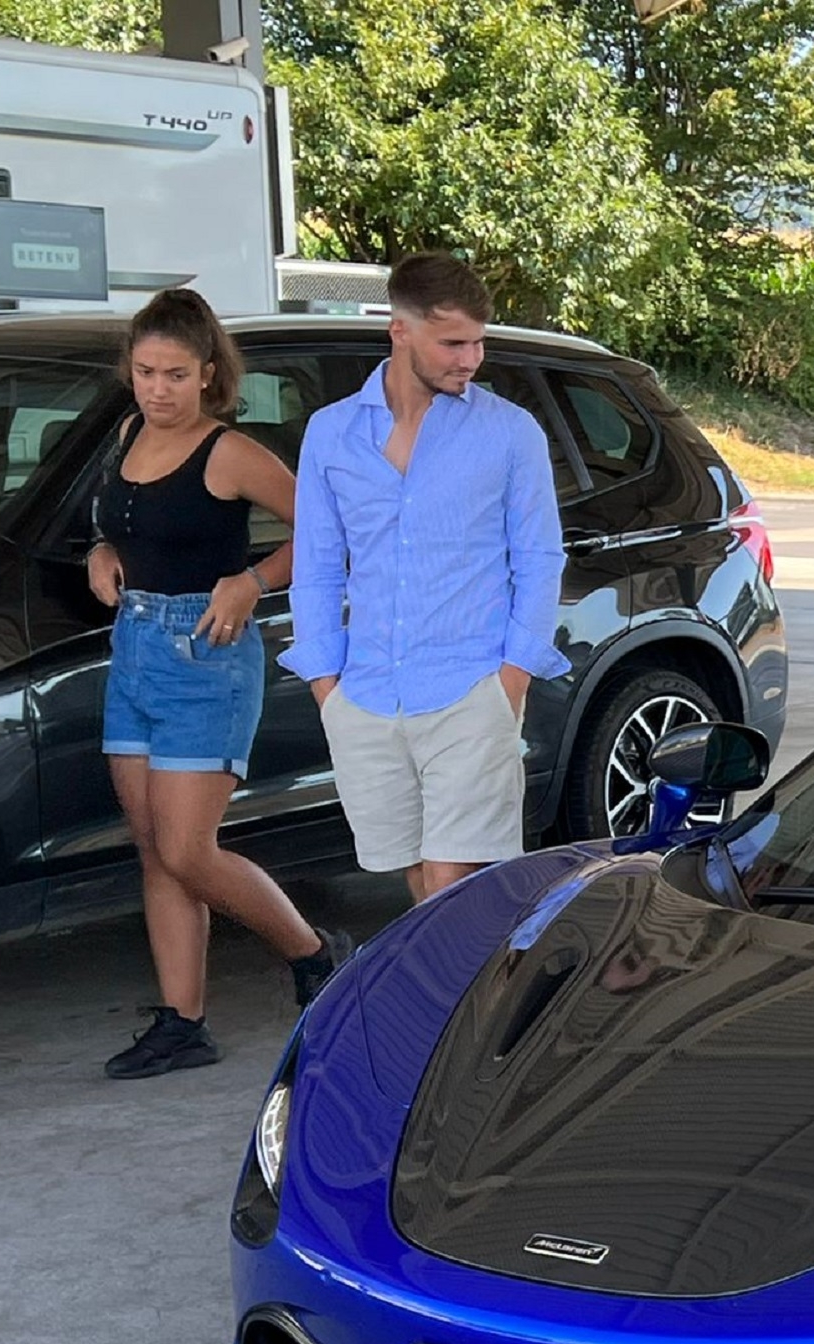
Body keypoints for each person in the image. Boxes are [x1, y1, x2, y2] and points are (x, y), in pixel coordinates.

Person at [91, 289, 352, 1081]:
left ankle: (315, 952)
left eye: (175, 374)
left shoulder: (229, 452)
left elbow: (327, 530)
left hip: (207, 654)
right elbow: (118, 525)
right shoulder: (129, 432)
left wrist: (252, 579)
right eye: (145, 371)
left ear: (209, 374)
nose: (157, 389)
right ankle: (183, 1022)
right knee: (153, 849)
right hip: (134, 646)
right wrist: (100, 551)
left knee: (186, 847)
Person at [285, 251, 567, 902]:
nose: (470, 358)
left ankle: (472, 999)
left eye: (477, 341)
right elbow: (318, 566)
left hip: (472, 689)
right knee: (418, 879)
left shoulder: (509, 433)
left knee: (452, 880)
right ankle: (462, 1002)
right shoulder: (332, 435)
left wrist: (512, 680)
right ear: (400, 329)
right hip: (367, 695)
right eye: (453, 342)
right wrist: (328, 689)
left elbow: (540, 557)